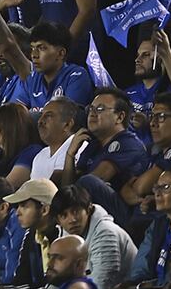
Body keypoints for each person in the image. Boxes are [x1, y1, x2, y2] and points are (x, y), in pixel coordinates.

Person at [61, 87, 150, 221]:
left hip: (123, 215)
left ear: (119, 117)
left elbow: (92, 182)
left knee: (87, 182)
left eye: (100, 109)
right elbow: (68, 187)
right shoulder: (93, 144)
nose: (92, 113)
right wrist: (70, 155)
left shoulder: (129, 143)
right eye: (91, 108)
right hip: (94, 209)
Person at [50, 184, 136, 289]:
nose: (72, 219)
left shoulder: (106, 232)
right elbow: (60, 278)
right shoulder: (66, 235)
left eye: (76, 212)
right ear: (58, 220)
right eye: (64, 215)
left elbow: (101, 285)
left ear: (88, 209)